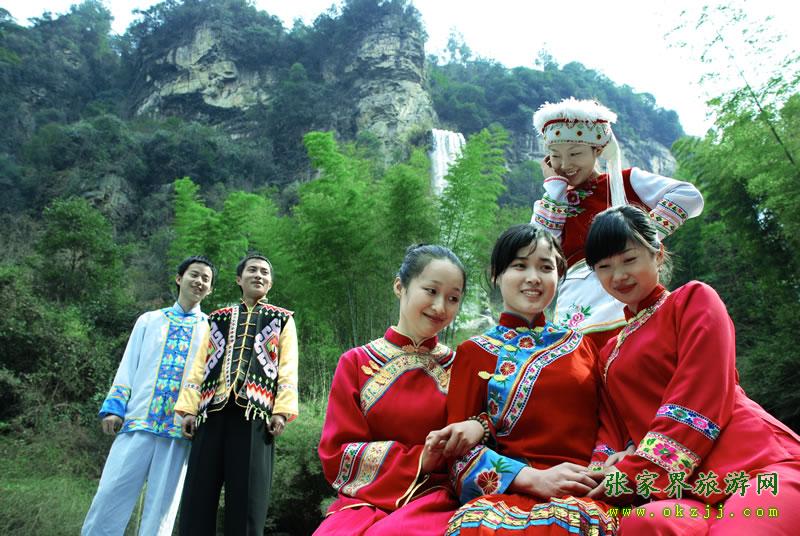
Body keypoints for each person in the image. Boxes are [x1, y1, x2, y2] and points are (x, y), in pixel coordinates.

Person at [583, 206, 800, 534]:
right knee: (642, 523)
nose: (619, 276)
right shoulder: (609, 351)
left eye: (629, 260)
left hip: (754, 464)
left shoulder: (692, 300)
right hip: (686, 489)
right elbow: (613, 426)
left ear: (657, 254)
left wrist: (633, 471)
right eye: (604, 267)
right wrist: (601, 470)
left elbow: (701, 393)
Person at [427, 224, 617, 535]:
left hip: (585, 489)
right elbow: (458, 455)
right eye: (519, 265)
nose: (533, 277)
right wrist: (532, 479)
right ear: (496, 275)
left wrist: (596, 474)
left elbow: (610, 423)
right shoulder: (473, 352)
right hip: (508, 492)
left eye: (546, 267)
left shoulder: (582, 345)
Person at [314, 244, 467, 535]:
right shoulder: (356, 362)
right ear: (400, 286)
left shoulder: (461, 366)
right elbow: (338, 453)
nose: (440, 307)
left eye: (453, 298)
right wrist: (420, 459)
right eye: (431, 291)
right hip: (365, 501)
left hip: (439, 497)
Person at [531, 97, 704, 349]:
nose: (565, 165)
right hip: (577, 300)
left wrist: (639, 237)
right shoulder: (552, 202)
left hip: (628, 285)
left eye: (575, 153)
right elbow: (538, 247)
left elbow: (689, 196)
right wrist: (555, 189)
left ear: (597, 150)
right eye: (555, 156)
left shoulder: (625, 181)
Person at [82, 256, 215, 536]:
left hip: (178, 431)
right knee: (109, 495)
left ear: (210, 289)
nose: (199, 281)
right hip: (137, 421)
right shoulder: (149, 320)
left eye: (206, 279)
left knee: (161, 512)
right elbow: (128, 363)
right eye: (194, 275)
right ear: (179, 278)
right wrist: (115, 408)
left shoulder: (212, 329)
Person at [175, 252, 298, 535]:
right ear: (238, 279)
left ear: (270, 283)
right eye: (252, 270)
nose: (259, 275)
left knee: (248, 502)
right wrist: (189, 409)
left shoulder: (282, 319)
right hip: (210, 413)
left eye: (265, 272)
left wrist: (281, 410)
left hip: (255, 415)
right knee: (197, 496)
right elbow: (199, 365)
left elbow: (288, 366)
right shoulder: (217, 318)